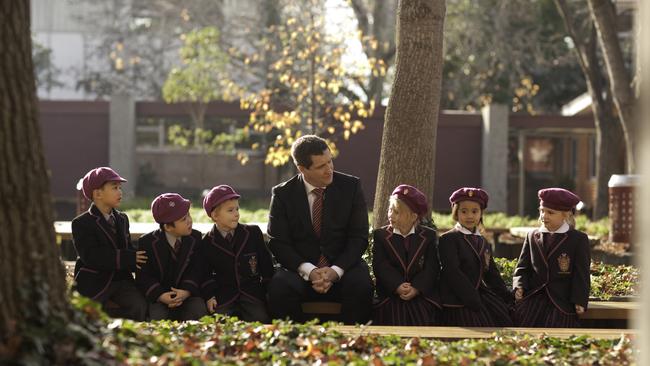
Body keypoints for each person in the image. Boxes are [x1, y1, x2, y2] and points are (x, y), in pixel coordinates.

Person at [266, 135, 373, 324]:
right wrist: (310, 270)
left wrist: (335, 271)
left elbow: (359, 237)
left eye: (330, 161)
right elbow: (278, 242)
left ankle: (353, 345)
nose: (329, 169)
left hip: (342, 268)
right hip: (300, 271)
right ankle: (293, 345)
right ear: (302, 169)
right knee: (280, 286)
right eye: (321, 166)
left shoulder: (351, 187)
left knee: (361, 282)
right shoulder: (283, 194)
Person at [184, 185, 274, 323]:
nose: (236, 213)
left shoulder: (252, 233)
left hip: (252, 293)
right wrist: (210, 296)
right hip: (224, 296)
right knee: (221, 323)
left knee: (260, 319)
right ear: (215, 215)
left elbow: (266, 263)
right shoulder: (206, 243)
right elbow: (204, 274)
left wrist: (268, 290)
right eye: (230, 210)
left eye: (237, 209)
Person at [72, 167, 147, 321]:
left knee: (139, 306)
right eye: (114, 188)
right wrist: (127, 257)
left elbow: (127, 248)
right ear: (97, 194)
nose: (120, 192)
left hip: (121, 280)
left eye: (120, 188)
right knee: (87, 312)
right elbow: (91, 256)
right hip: (95, 281)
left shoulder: (122, 219)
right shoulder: (81, 223)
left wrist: (139, 258)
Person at [513, 188, 590, 328]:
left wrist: (579, 300)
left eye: (550, 212)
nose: (544, 216)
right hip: (533, 301)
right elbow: (523, 267)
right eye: (542, 210)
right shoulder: (532, 236)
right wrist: (519, 285)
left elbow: (581, 273)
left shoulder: (578, 239)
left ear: (565, 215)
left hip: (561, 303)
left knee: (557, 331)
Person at [438, 187, 513, 326]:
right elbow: (452, 271)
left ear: (481, 214)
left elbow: (491, 273)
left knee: (504, 318)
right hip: (458, 300)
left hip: (479, 296)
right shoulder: (448, 239)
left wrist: (508, 296)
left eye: (475, 211)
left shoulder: (483, 241)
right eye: (464, 211)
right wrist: (473, 298)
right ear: (456, 213)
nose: (470, 216)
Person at [372, 184, 441, 326]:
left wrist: (416, 288)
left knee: (422, 314)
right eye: (390, 210)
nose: (391, 215)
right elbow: (381, 265)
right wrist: (397, 285)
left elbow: (432, 267)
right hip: (391, 293)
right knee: (393, 314)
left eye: (397, 212)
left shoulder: (428, 236)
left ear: (413, 216)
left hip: (420, 294)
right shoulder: (381, 236)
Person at [135, 193, 207, 321]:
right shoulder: (147, 242)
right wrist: (161, 295)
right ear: (167, 227)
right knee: (158, 318)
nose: (189, 221)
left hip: (187, 294)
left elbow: (197, 269)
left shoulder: (194, 238)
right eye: (183, 219)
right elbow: (144, 276)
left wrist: (186, 291)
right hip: (161, 296)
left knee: (198, 310)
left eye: (189, 215)